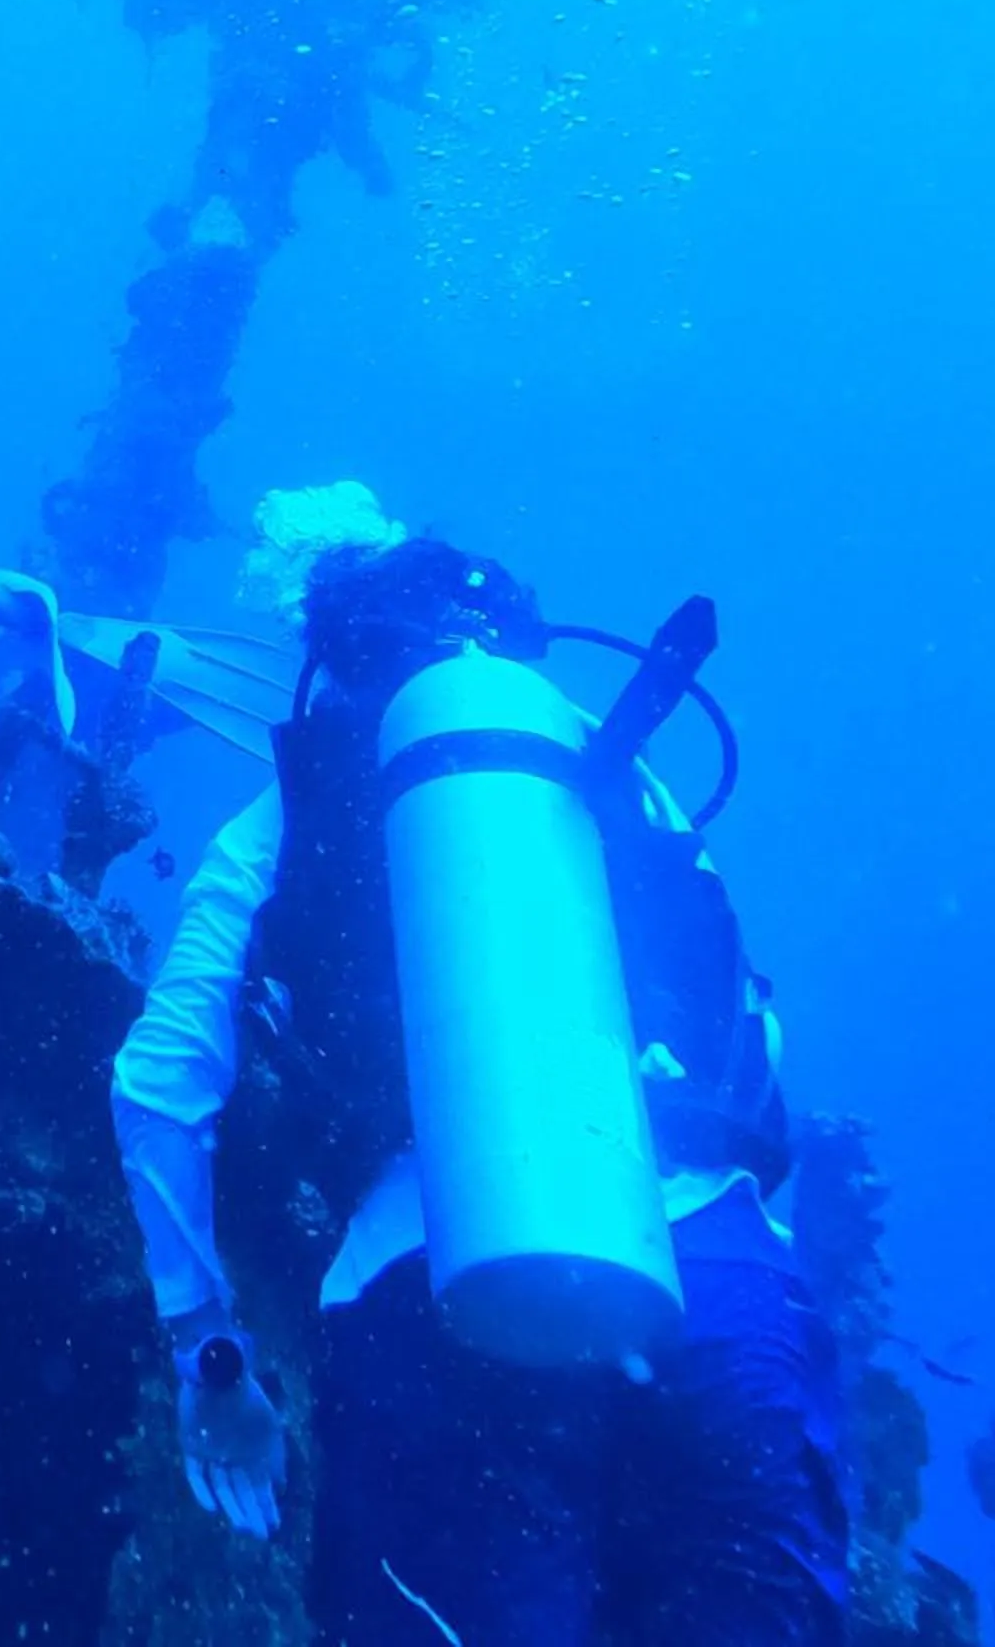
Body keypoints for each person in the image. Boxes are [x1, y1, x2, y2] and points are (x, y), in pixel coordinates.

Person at [110, 532, 850, 1644]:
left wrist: (207, 1350)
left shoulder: (284, 820)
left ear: (337, 666)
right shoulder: (622, 774)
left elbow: (158, 1085)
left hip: (433, 1292)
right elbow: (753, 1035)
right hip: (713, 1280)